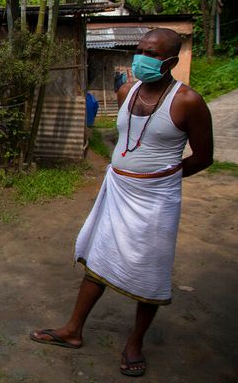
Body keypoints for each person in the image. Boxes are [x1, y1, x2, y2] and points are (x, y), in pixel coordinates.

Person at [29, 28, 213, 377]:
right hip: (117, 190)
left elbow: (204, 157)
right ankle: (73, 330)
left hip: (157, 199)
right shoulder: (127, 91)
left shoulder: (188, 101)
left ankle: (134, 343)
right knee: (99, 255)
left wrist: (159, 179)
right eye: (140, 49)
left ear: (170, 61)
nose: (141, 57)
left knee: (150, 270)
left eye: (152, 53)